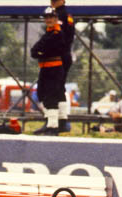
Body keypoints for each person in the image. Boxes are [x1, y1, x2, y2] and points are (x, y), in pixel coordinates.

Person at [30, 7, 67, 135]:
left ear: (56, 18)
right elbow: (35, 50)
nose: (49, 19)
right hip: (46, 67)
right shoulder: (49, 33)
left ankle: (53, 126)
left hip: (54, 68)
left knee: (51, 95)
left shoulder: (57, 34)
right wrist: (40, 51)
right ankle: (57, 122)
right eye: (47, 17)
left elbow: (50, 50)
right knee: (42, 94)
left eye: (51, 17)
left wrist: (41, 52)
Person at [51, 0, 74, 131]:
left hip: (59, 56)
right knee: (58, 87)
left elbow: (62, 37)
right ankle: (60, 120)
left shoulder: (61, 15)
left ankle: (56, 122)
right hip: (63, 55)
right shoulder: (65, 15)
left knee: (54, 88)